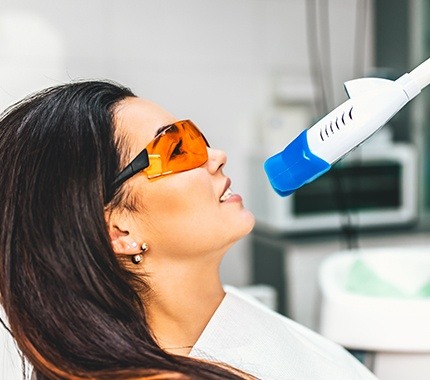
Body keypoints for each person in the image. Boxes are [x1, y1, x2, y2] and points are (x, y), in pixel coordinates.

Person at [0, 80, 378, 380]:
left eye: (196, 137)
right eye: (178, 148)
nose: (217, 157)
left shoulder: (223, 312)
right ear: (119, 231)